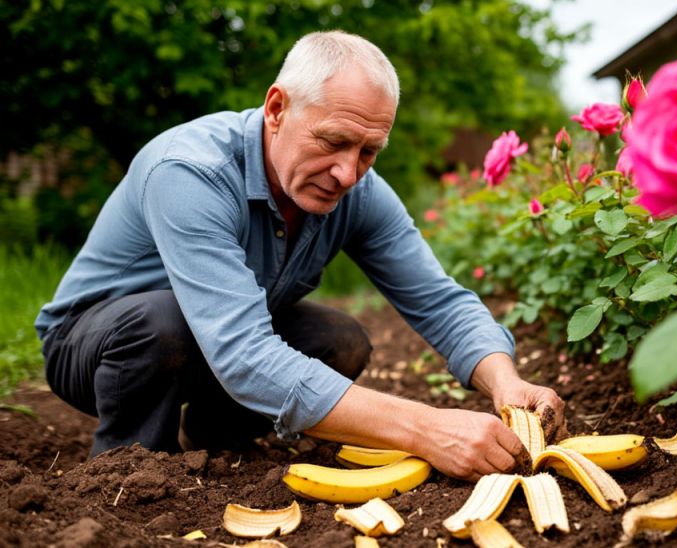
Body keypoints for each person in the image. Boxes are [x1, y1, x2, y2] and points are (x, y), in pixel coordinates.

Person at [35, 30, 564, 481]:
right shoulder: (190, 171)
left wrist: (505, 381)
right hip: (97, 345)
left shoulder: (358, 191)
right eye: (332, 141)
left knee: (337, 339)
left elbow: (439, 300)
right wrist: (426, 427)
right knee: (164, 322)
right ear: (276, 109)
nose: (347, 173)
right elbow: (243, 352)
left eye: (368, 151)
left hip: (213, 342)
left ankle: (220, 440)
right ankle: (131, 466)